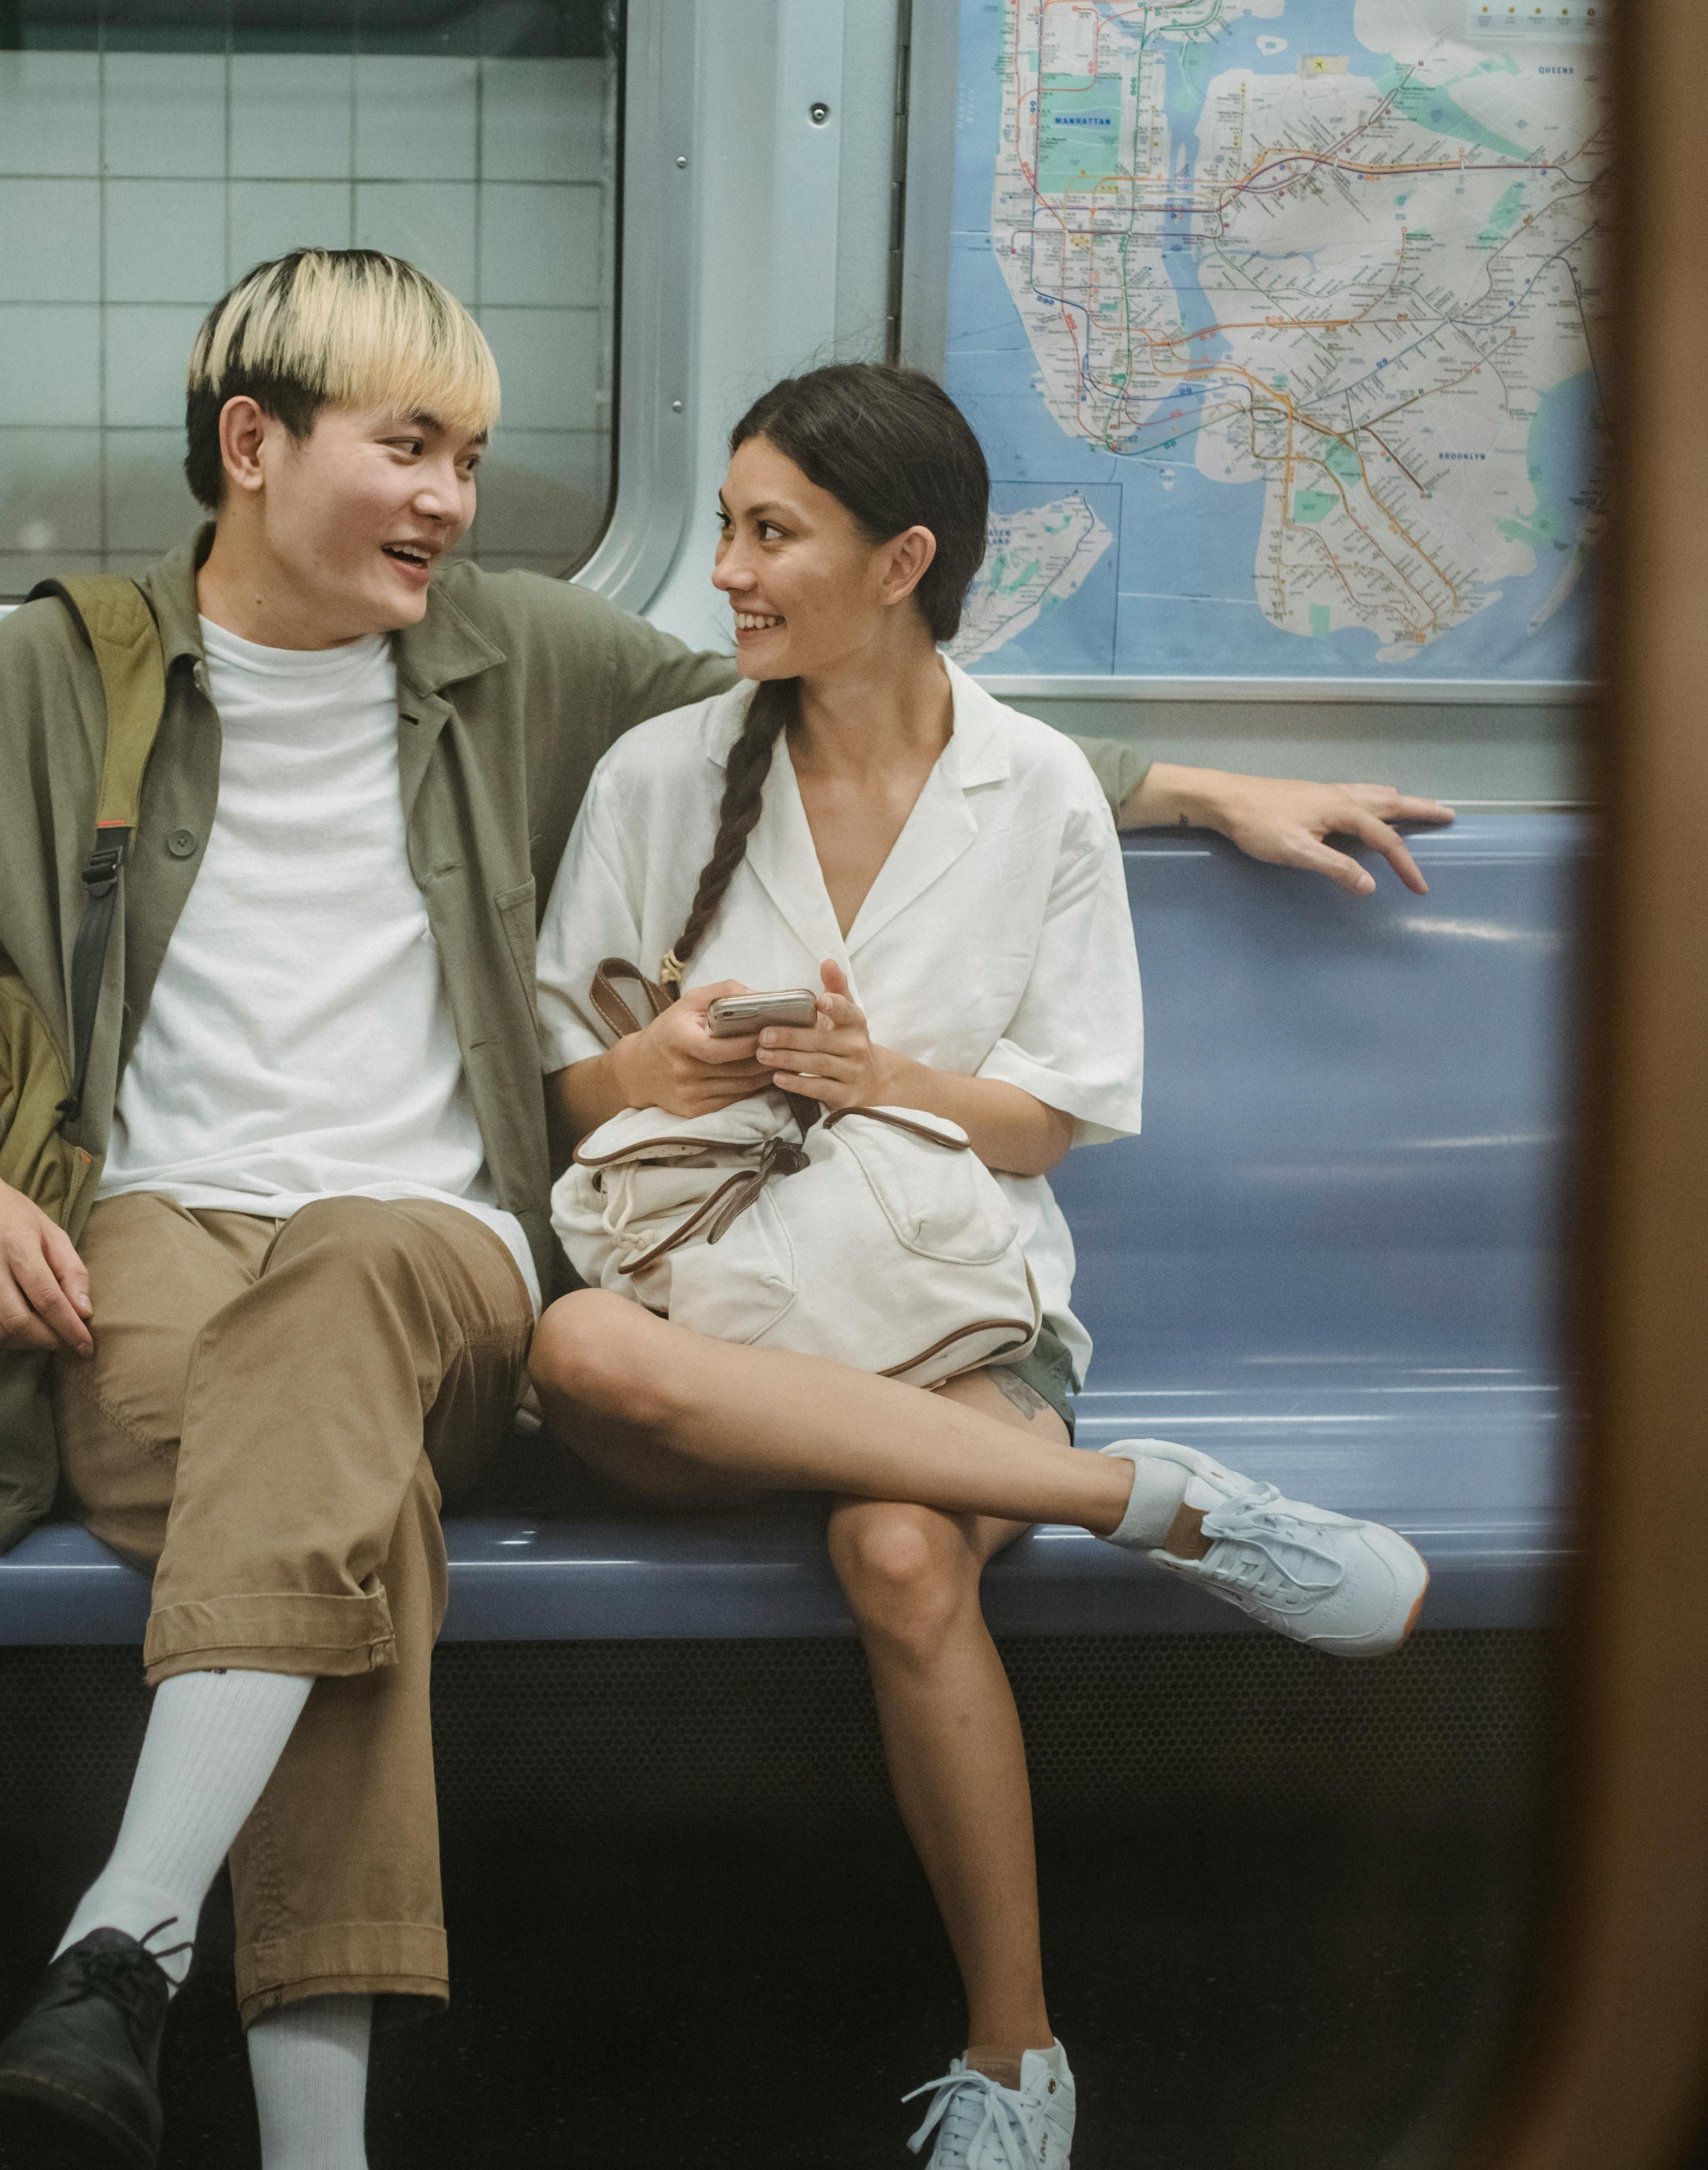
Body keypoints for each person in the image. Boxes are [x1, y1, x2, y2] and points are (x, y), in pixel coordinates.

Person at [0, 250, 1452, 2170]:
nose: (452, 501)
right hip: (155, 1236)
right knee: (329, 1530)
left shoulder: (519, 651)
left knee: (341, 1299)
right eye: (409, 447)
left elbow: (868, 697)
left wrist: (1198, 783)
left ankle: (120, 1939)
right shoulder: (47, 682)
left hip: (439, 1244)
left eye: (472, 457)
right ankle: (241, 2084)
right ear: (251, 447)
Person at [525, 364, 1432, 2169]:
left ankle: (1020, 2065)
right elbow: (575, 1091)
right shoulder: (662, 772)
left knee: (894, 1545)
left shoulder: (1034, 798)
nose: (725, 570)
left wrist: (887, 1083)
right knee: (574, 1355)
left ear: (900, 561)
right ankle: (1136, 1503)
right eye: (721, 524)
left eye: (769, 532)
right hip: (715, 1322)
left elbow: (1050, 1120)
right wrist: (678, 1068)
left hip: (945, 1315)